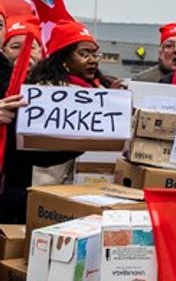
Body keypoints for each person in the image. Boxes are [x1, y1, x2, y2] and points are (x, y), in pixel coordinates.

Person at [1, 21, 109, 221]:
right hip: (39, 190)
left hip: (83, 191)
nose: (92, 60)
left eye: (95, 54)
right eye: (84, 54)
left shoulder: (105, 94)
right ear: (64, 59)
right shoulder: (41, 95)